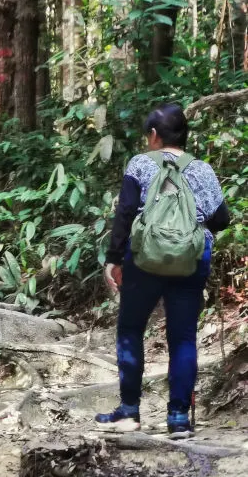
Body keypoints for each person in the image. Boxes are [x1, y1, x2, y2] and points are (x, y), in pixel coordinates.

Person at [96, 104, 229, 438]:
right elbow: (222, 219)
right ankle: (179, 419)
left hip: (144, 260)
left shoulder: (141, 164)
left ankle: (129, 412)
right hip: (191, 260)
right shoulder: (201, 170)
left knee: (130, 329)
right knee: (183, 336)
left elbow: (125, 214)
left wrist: (113, 259)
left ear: (153, 136)